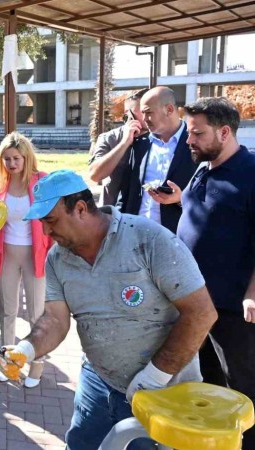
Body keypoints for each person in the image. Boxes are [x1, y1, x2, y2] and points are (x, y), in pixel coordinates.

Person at [0, 170, 217, 450]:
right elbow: (55, 320)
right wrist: (25, 350)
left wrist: (155, 376)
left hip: (164, 389)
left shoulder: (148, 240)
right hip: (97, 381)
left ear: (80, 208)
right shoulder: (57, 259)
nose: (46, 232)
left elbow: (201, 313)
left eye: (50, 220)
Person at [169, 97, 255, 449]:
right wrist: (177, 200)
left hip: (232, 308)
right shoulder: (204, 166)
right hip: (195, 303)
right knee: (205, 384)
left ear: (224, 132)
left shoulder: (250, 173)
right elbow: (208, 211)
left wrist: (252, 294)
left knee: (241, 391)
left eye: (197, 133)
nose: (189, 140)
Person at [0, 132, 52, 388]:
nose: (11, 163)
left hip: (35, 254)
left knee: (36, 313)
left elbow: (54, 219)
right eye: (7, 159)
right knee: (7, 311)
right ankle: (7, 362)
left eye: (16, 158)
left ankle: (37, 363)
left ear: (26, 158)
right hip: (6, 254)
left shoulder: (41, 181)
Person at [117, 86, 198, 233]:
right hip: (136, 233)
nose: (144, 119)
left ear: (169, 109)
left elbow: (209, 198)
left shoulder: (196, 144)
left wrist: (181, 199)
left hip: (175, 236)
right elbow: (126, 194)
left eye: (148, 112)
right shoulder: (140, 144)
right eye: (142, 113)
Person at [88, 89, 150, 206]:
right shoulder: (110, 138)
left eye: (151, 110)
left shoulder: (161, 139)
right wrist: (124, 143)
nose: (149, 115)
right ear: (128, 114)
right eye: (144, 110)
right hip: (112, 212)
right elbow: (95, 175)